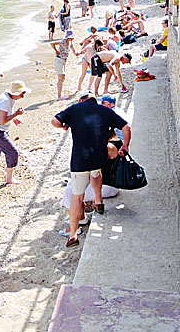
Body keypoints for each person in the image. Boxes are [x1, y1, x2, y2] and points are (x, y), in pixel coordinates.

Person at [51, 93, 131, 247]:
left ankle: (73, 234)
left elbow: (55, 121)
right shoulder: (105, 112)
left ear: (81, 101)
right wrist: (125, 145)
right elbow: (126, 126)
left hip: (79, 161)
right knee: (96, 172)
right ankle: (98, 201)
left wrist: (64, 126)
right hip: (98, 159)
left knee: (76, 196)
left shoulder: (74, 109)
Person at [0, 80, 29, 185]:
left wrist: (13, 118)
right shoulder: (5, 100)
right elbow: (2, 121)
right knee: (12, 152)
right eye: (22, 94)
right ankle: (9, 179)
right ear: (16, 93)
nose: (22, 96)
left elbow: (3, 115)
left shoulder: (9, 97)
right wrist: (16, 114)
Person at [51, 30, 77, 100]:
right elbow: (52, 43)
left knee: (62, 78)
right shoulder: (63, 41)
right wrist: (56, 51)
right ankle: (59, 96)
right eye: (72, 37)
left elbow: (74, 50)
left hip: (63, 61)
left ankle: (60, 94)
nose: (73, 38)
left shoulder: (70, 43)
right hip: (59, 60)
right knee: (61, 78)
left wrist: (77, 53)